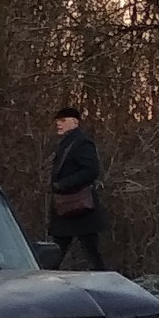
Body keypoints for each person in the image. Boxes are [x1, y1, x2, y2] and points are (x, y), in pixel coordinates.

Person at [45, 106, 105, 270]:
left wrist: (63, 185)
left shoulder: (81, 142)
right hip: (70, 208)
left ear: (75, 122)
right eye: (57, 121)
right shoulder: (70, 142)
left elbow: (91, 170)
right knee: (64, 251)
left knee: (88, 253)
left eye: (63, 120)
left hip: (77, 207)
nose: (58, 124)